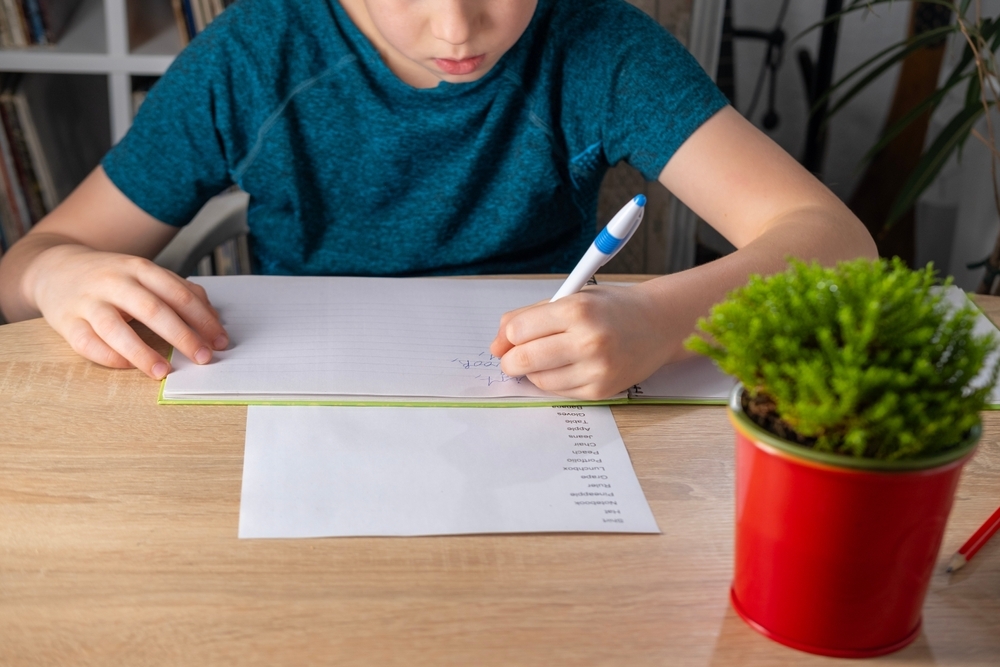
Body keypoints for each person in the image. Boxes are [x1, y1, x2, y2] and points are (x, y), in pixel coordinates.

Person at [0, 0, 876, 400]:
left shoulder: (600, 44)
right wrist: (60, 275)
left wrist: (661, 318)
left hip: (552, 405)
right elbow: (20, 273)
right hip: (295, 414)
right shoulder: (250, 55)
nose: (456, 29)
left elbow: (835, 241)